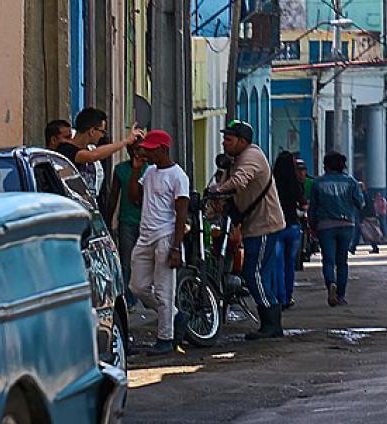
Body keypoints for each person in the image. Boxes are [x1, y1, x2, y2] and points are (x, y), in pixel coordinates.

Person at [207, 121, 286, 340]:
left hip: (264, 225)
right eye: (224, 138)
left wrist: (217, 190)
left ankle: (271, 324)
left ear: (243, 141)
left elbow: (240, 181)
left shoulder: (251, 156)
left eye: (228, 139)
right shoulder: (233, 162)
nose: (224, 143)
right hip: (254, 226)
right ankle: (269, 323)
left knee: (254, 273)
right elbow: (226, 195)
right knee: (260, 274)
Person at [127, 130, 189, 355]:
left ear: (164, 149)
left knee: (164, 290)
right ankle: (174, 316)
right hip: (145, 236)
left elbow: (182, 213)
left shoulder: (178, 176)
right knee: (138, 287)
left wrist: (176, 246)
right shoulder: (149, 171)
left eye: (152, 150)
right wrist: (135, 170)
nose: (147, 153)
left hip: (165, 235)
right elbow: (134, 197)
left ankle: (166, 337)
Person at [308, 152, 365, 307]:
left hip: (325, 226)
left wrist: (312, 225)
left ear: (326, 165)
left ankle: (330, 284)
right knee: (342, 262)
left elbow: (312, 207)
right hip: (347, 225)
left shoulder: (318, 183)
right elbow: (361, 204)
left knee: (328, 260)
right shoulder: (351, 182)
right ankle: (340, 295)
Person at [58, 107, 142, 201]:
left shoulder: (90, 149)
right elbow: (92, 156)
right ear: (92, 131)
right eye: (102, 131)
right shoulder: (66, 150)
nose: (102, 135)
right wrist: (126, 141)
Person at [106, 145, 145, 304]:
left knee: (144, 261)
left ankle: (146, 296)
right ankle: (129, 299)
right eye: (133, 149)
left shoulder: (150, 169)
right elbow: (114, 195)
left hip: (146, 221)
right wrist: (108, 221)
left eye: (139, 149)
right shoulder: (121, 169)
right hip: (126, 221)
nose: (136, 153)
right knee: (126, 261)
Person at [271, 151, 305, 309]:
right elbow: (303, 205)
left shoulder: (272, 185)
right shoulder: (295, 184)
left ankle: (280, 297)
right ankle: (289, 296)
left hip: (276, 227)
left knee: (278, 264)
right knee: (290, 264)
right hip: (292, 227)